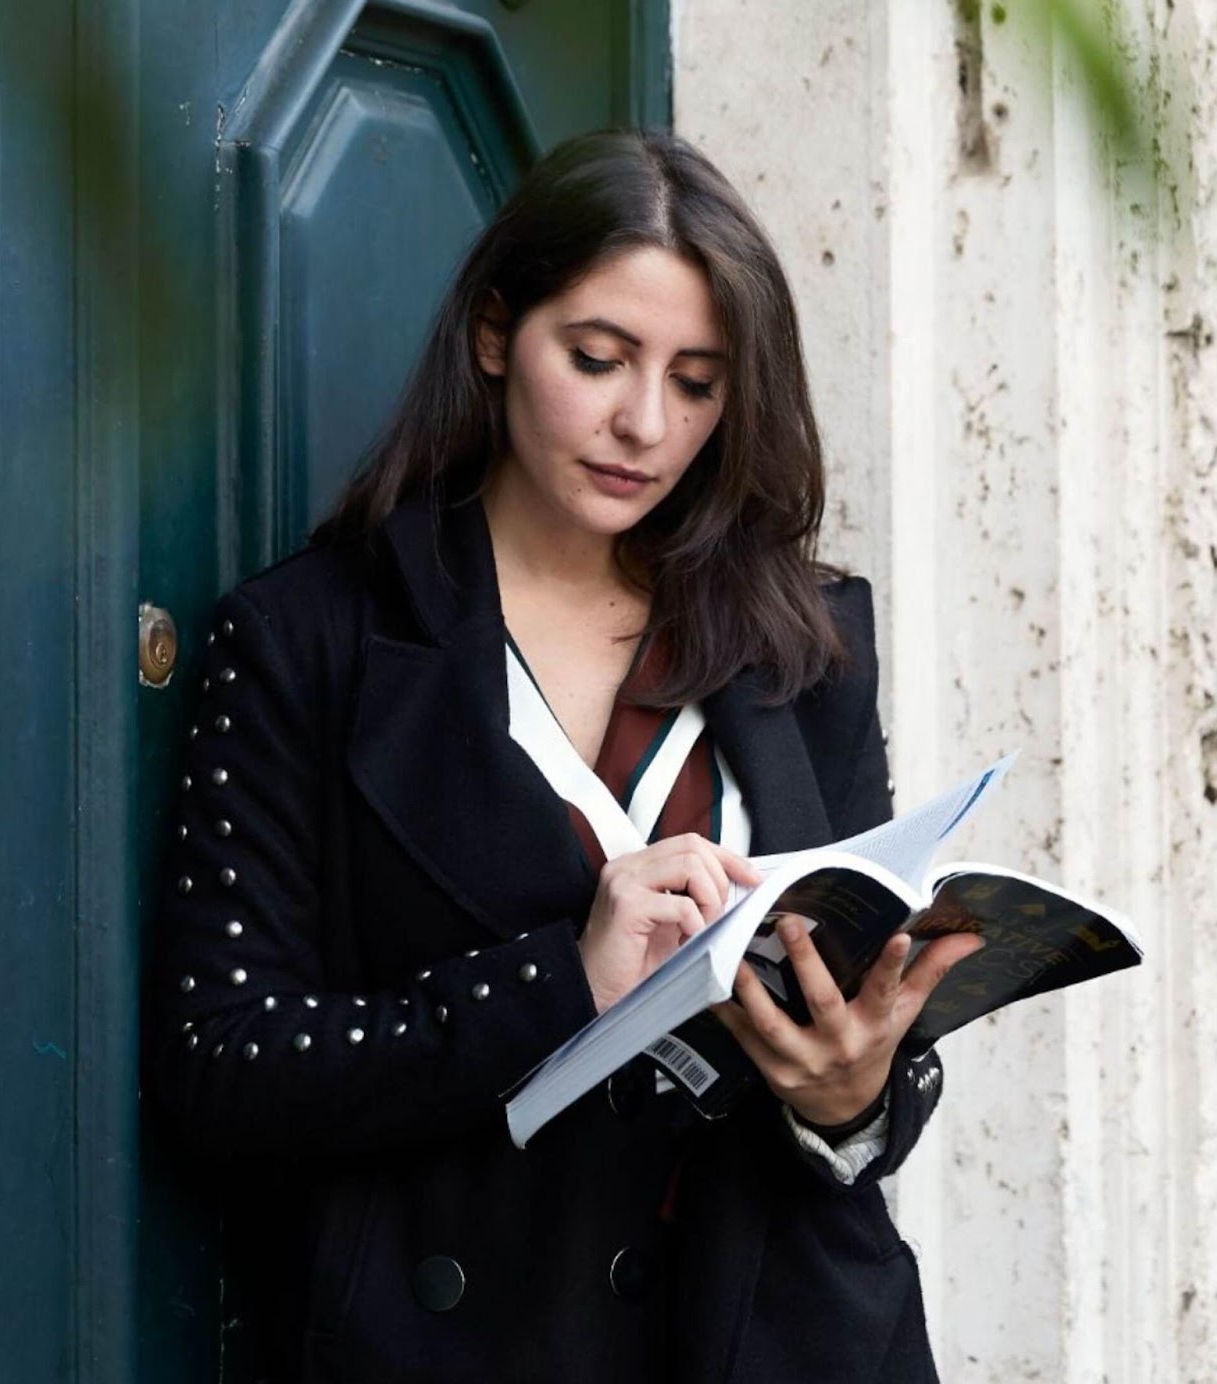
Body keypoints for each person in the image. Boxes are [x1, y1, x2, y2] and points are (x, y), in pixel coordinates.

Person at [150, 127, 983, 1383]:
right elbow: (221, 1067)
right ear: (495, 334)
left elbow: (878, 1071)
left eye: (697, 382)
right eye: (597, 358)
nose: (642, 423)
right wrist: (560, 985)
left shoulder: (802, 639)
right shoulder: (305, 638)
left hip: (785, 1335)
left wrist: (850, 1093)